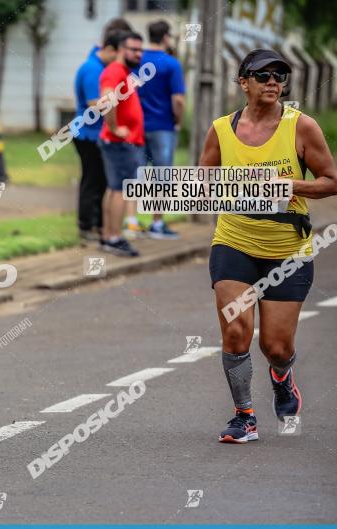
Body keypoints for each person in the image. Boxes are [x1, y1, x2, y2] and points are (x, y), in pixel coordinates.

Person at [198, 49, 337, 443]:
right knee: (236, 333)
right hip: (234, 241)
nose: (274, 81)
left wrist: (291, 186)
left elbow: (331, 180)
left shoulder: (302, 127)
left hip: (287, 250)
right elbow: (202, 180)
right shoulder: (221, 130)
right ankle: (244, 416)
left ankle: (282, 375)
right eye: (263, 75)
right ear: (244, 82)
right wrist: (219, 190)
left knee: (275, 346)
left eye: (280, 75)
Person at [135, 19, 185, 239]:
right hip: (163, 126)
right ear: (165, 37)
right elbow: (178, 100)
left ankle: (131, 223)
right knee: (161, 177)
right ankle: (157, 224)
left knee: (135, 174)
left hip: (137, 126)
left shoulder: (136, 60)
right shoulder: (171, 64)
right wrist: (178, 119)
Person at [98, 31, 146, 257]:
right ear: (119, 49)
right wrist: (116, 128)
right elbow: (106, 100)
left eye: (140, 49)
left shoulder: (123, 72)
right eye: (133, 49)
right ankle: (115, 238)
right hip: (120, 142)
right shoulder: (115, 71)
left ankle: (108, 236)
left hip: (120, 142)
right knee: (120, 190)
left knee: (114, 188)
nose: (138, 53)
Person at [73, 30, 121, 242]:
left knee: (99, 180)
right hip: (88, 135)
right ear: (110, 50)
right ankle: (86, 226)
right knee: (93, 180)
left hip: (92, 134)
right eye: (117, 54)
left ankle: (96, 225)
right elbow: (97, 104)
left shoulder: (97, 66)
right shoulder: (93, 69)